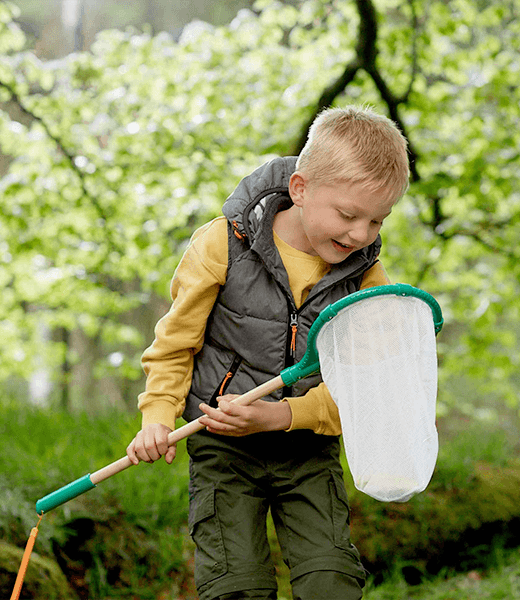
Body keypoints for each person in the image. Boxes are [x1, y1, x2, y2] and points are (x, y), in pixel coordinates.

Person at [126, 105, 410, 600]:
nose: (361, 235)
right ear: (300, 189)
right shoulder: (222, 244)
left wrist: (281, 417)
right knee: (236, 584)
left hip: (306, 447)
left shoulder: (367, 280)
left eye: (377, 219)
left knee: (332, 581)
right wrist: (156, 417)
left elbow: (367, 393)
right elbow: (175, 345)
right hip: (221, 446)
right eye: (348, 215)